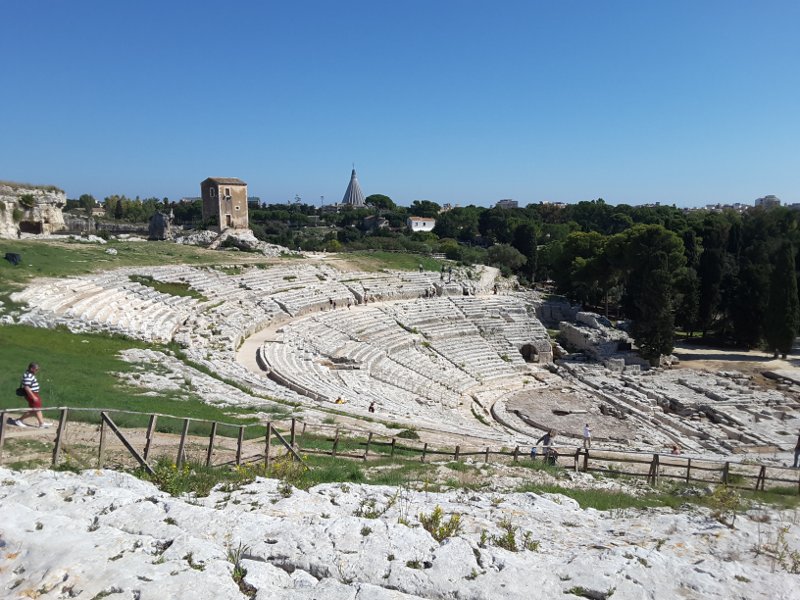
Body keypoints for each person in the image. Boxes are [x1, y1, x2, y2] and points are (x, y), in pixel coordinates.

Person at [12, 362, 49, 428]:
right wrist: (33, 396)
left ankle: (41, 423)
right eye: (36, 369)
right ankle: (19, 420)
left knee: (38, 409)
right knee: (34, 410)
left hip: (33, 394)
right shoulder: (28, 376)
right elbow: (27, 387)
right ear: (32, 368)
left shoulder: (29, 374)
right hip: (32, 394)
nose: (37, 371)